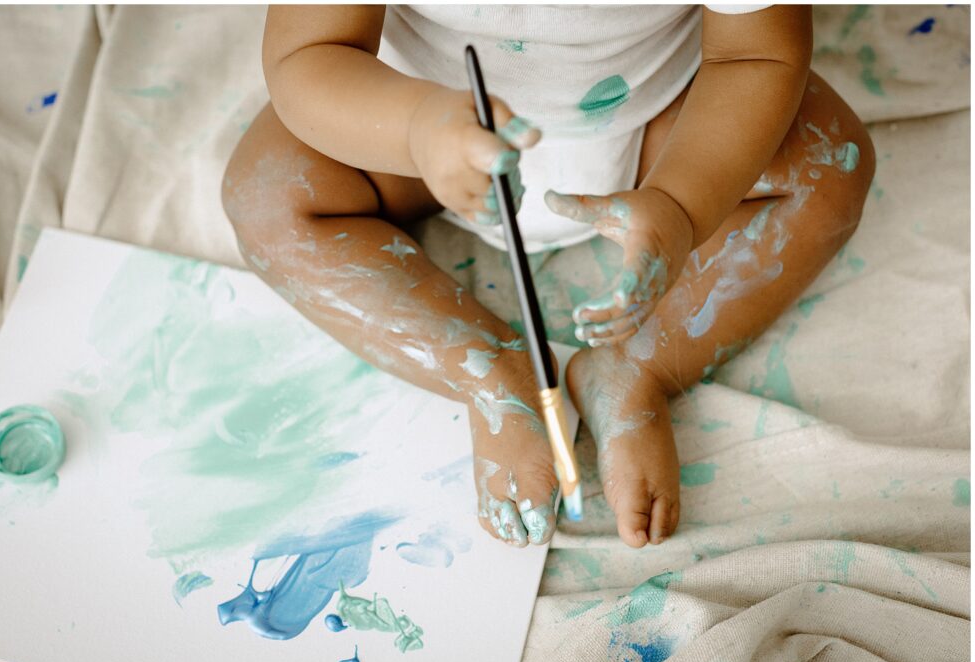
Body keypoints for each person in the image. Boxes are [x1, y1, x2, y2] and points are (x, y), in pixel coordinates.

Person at [221, 4, 874, 549]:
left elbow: (754, 56)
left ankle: (636, 369)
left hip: (666, 131)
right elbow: (309, 53)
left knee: (831, 167)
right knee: (266, 196)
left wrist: (682, 204)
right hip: (421, 133)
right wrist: (417, 128)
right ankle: (492, 375)